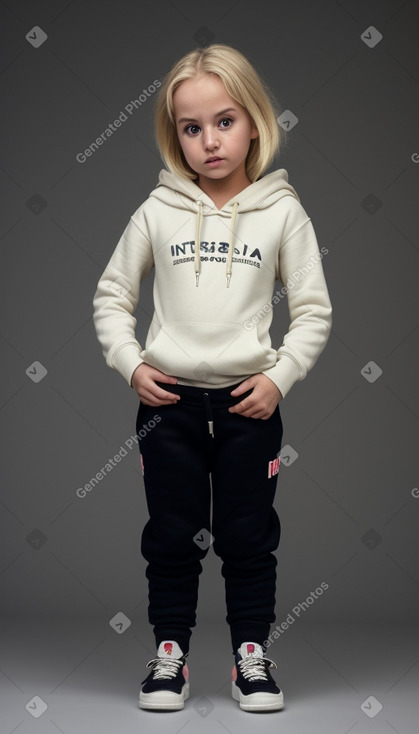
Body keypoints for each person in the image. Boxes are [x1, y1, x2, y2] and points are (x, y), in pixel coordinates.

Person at [92, 42, 332, 713]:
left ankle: (250, 656)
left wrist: (279, 378)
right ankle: (169, 654)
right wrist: (130, 363)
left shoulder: (283, 213)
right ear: (175, 136)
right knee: (170, 535)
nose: (209, 141)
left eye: (224, 121)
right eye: (190, 128)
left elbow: (312, 311)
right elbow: (112, 295)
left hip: (248, 406)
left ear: (255, 121)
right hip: (165, 405)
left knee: (247, 536)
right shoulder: (157, 211)